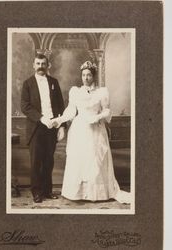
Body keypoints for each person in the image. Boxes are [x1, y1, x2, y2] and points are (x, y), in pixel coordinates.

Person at [52, 61, 131, 203]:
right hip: (79, 129)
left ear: (93, 76)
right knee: (80, 159)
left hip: (95, 129)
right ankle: (78, 193)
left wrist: (98, 117)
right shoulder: (75, 91)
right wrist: (59, 120)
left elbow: (107, 110)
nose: (86, 78)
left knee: (95, 158)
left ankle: (97, 193)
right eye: (83, 75)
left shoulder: (102, 92)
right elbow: (71, 110)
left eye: (88, 75)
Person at [21, 53, 65, 203]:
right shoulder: (27, 83)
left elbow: (60, 105)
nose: (40, 67)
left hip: (52, 127)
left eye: (43, 64)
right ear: (33, 65)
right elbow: (25, 107)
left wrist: (62, 126)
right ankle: (36, 192)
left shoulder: (54, 82)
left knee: (49, 161)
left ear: (48, 65)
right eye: (38, 64)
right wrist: (41, 118)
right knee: (36, 162)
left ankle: (47, 191)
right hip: (36, 128)